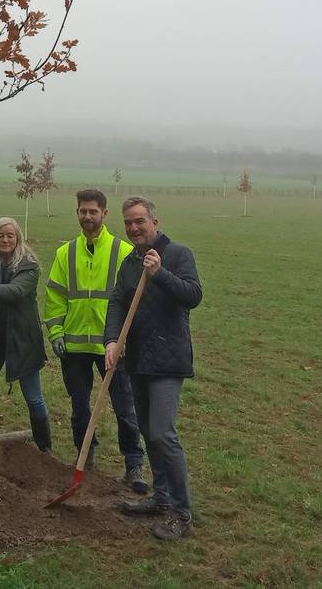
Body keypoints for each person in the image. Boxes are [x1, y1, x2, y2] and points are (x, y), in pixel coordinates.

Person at [106, 196, 203, 541]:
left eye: (139, 222)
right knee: (148, 432)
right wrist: (112, 341)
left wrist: (159, 273)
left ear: (154, 222)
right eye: (128, 223)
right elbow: (118, 301)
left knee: (162, 433)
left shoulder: (177, 254)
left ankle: (181, 512)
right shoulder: (130, 261)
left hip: (168, 359)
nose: (133, 228)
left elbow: (192, 295)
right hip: (138, 359)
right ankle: (161, 499)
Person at [44, 188, 147, 491]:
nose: (87, 216)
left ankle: (134, 464)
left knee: (124, 407)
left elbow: (134, 299)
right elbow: (55, 296)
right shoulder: (66, 253)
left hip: (111, 346)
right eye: (82, 211)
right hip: (74, 347)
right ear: (77, 212)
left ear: (104, 214)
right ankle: (84, 455)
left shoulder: (122, 251)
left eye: (93, 211)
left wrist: (126, 339)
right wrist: (56, 333)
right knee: (79, 407)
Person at [0, 216, 51, 451]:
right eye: (0, 235)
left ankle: (44, 449)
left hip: (22, 339)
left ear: (18, 238)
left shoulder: (29, 265)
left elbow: (15, 291)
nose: (5, 240)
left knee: (34, 398)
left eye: (10, 235)